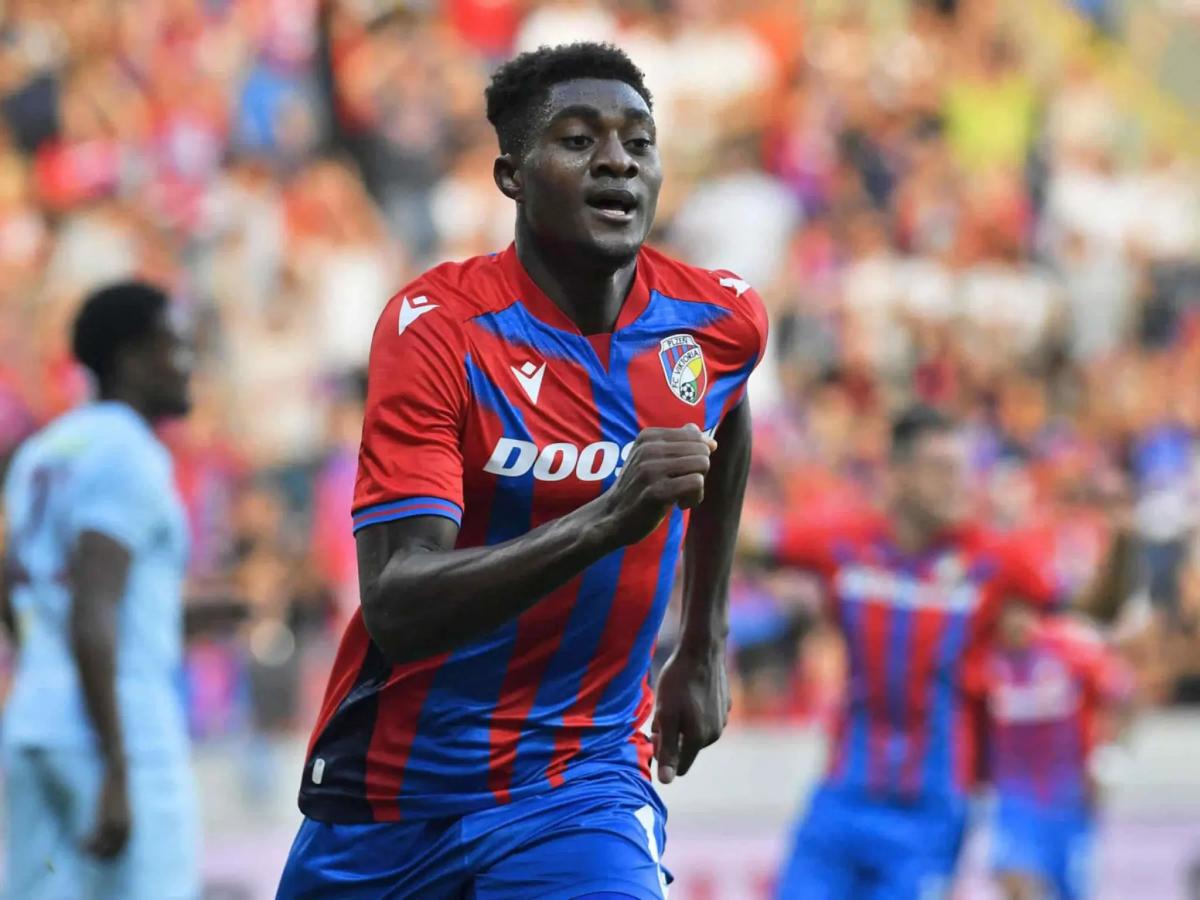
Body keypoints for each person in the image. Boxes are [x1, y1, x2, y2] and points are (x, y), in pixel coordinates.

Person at [278, 42, 768, 899]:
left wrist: (703, 640)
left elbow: (726, 416)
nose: (617, 161)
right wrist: (607, 519)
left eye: (639, 143)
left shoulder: (717, 321)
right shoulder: (439, 333)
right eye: (578, 140)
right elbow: (398, 605)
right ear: (511, 175)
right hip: (394, 793)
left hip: (580, 783)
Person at [756, 405, 1081, 900]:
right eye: (942, 469)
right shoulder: (846, 543)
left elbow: (1088, 605)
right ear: (900, 474)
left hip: (932, 810)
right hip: (843, 797)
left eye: (962, 469)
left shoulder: (994, 559)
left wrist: (1126, 540)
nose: (959, 484)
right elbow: (752, 542)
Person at [1, 282, 198, 899]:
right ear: (131, 358)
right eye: (173, 345)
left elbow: (19, 585)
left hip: (33, 721)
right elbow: (92, 602)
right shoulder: (129, 452)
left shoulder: (40, 451)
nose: (187, 362)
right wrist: (117, 762)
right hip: (115, 728)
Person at [985, 597, 1135, 900]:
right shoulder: (986, 657)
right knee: (1015, 878)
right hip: (1013, 795)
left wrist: (1107, 756)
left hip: (1067, 792)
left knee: (1070, 886)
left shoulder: (1071, 647)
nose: (1015, 622)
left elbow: (1122, 694)